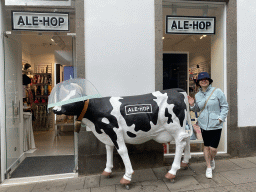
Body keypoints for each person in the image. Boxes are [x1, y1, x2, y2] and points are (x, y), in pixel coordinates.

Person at [188, 72, 229, 179]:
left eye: (206, 79)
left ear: (209, 81)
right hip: (203, 124)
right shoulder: (197, 95)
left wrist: (221, 119)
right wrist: (192, 104)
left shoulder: (217, 91)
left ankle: (211, 159)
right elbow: (197, 109)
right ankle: (209, 167)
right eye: (201, 79)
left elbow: (225, 106)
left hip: (216, 124)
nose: (204, 81)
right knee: (206, 146)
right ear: (198, 83)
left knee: (213, 149)